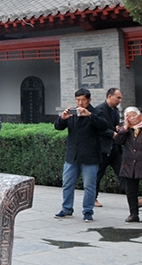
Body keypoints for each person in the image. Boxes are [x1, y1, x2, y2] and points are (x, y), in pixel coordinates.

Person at [53, 88, 111, 222]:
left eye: (83, 100)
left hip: (90, 156)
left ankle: (88, 211)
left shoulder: (97, 112)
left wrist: (89, 115)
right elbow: (58, 127)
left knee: (89, 186)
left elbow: (104, 125)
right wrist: (63, 118)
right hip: (72, 155)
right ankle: (67, 209)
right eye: (78, 100)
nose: (80, 103)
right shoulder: (72, 113)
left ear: (89, 100)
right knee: (67, 183)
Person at [93, 88, 124, 208]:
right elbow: (99, 127)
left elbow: (112, 126)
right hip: (103, 148)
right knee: (98, 174)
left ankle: (134, 198)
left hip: (115, 148)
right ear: (110, 96)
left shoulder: (115, 110)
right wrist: (112, 133)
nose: (120, 100)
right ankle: (92, 198)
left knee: (123, 172)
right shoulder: (99, 110)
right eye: (118, 98)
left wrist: (118, 128)